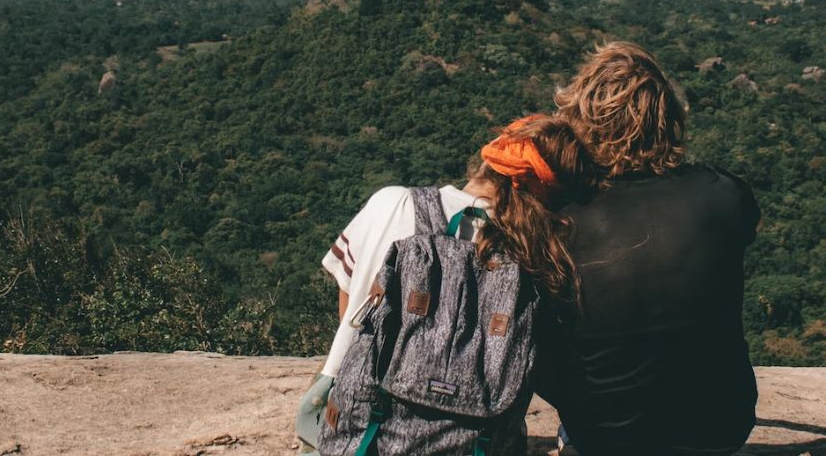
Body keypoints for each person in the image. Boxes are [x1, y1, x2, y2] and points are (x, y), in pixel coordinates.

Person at [296, 115, 597, 454]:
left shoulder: (393, 202)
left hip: (358, 427)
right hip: (476, 438)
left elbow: (350, 311)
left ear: (487, 160)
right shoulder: (535, 258)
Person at [539, 41, 761, 455]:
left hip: (605, 435)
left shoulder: (561, 216)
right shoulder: (726, 195)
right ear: (669, 118)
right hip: (721, 427)